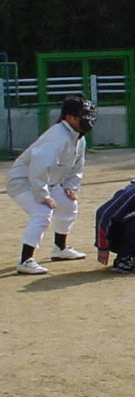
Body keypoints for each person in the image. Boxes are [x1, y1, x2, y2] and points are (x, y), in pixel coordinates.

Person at [6, 95, 96, 274]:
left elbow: (77, 165)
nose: (88, 118)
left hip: (48, 183)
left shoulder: (78, 137)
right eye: (83, 115)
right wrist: (43, 196)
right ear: (69, 117)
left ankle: (60, 249)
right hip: (23, 182)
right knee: (42, 211)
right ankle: (25, 261)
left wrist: (70, 187)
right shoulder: (57, 137)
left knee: (68, 203)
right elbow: (38, 166)